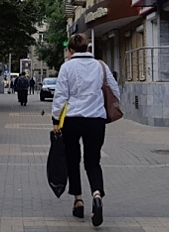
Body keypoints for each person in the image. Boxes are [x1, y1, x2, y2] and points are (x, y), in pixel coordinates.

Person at [51, 33, 119, 227]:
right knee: (93, 161)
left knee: (73, 159)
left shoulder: (67, 67)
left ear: (70, 50)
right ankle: (97, 195)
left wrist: (56, 118)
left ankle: (78, 201)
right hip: (96, 120)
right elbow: (114, 90)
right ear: (88, 48)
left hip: (72, 119)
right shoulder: (101, 66)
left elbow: (60, 96)